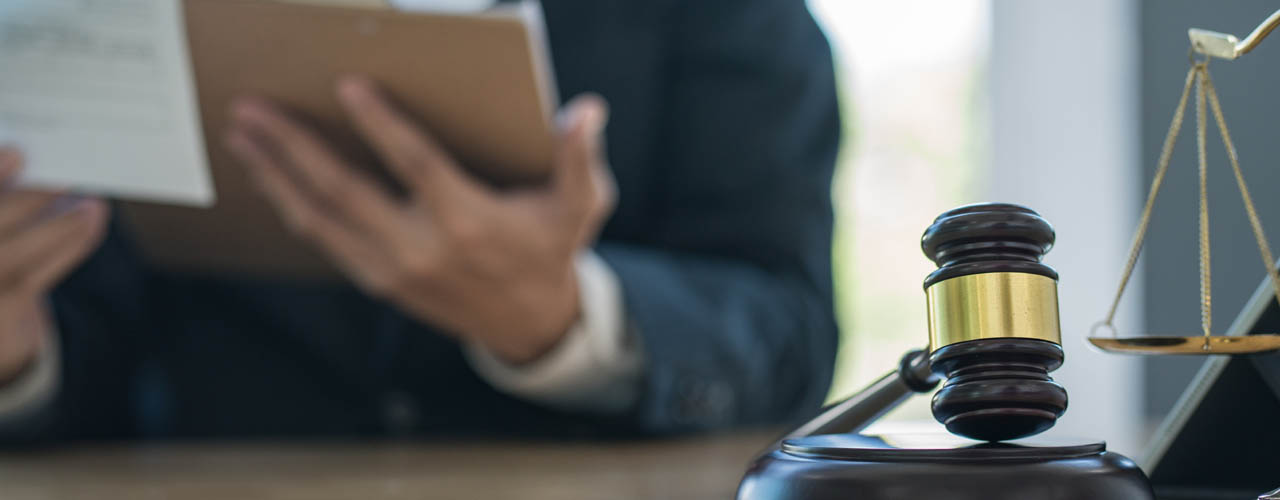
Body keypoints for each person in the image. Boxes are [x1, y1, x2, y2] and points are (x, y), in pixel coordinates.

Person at [0, 0, 839, 441]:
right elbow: (90, 328)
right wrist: (16, 357)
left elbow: (791, 333)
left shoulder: (730, 17)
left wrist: (568, 321)